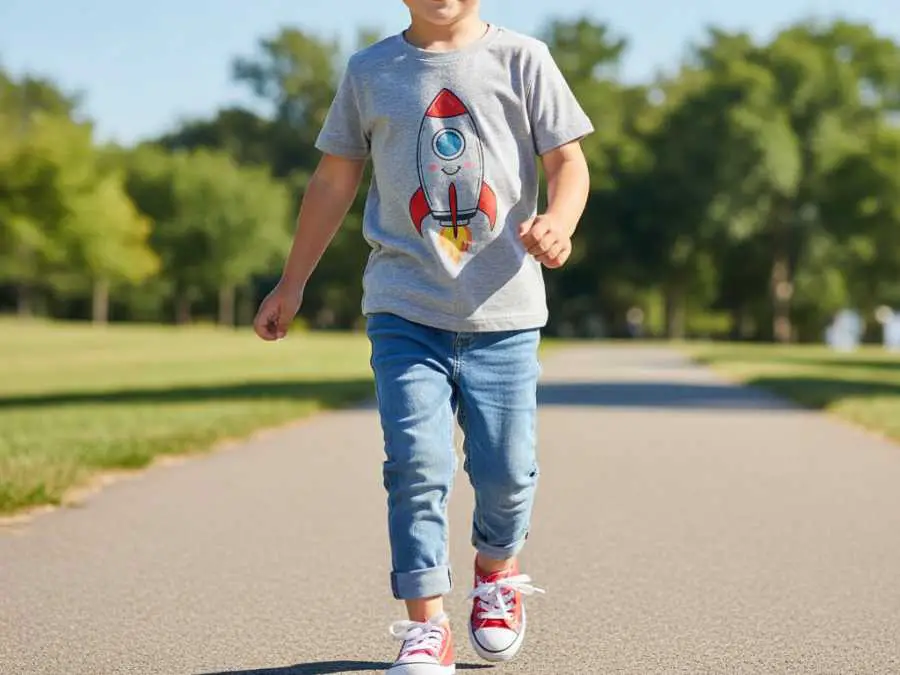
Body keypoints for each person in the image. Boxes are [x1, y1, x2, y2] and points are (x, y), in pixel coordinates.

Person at [253, 1, 593, 672]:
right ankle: (425, 623)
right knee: (417, 465)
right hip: (404, 307)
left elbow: (568, 165)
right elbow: (333, 180)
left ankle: (496, 568)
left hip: (505, 312)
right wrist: (291, 283)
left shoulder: (524, 59)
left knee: (507, 472)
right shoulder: (370, 70)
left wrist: (560, 221)